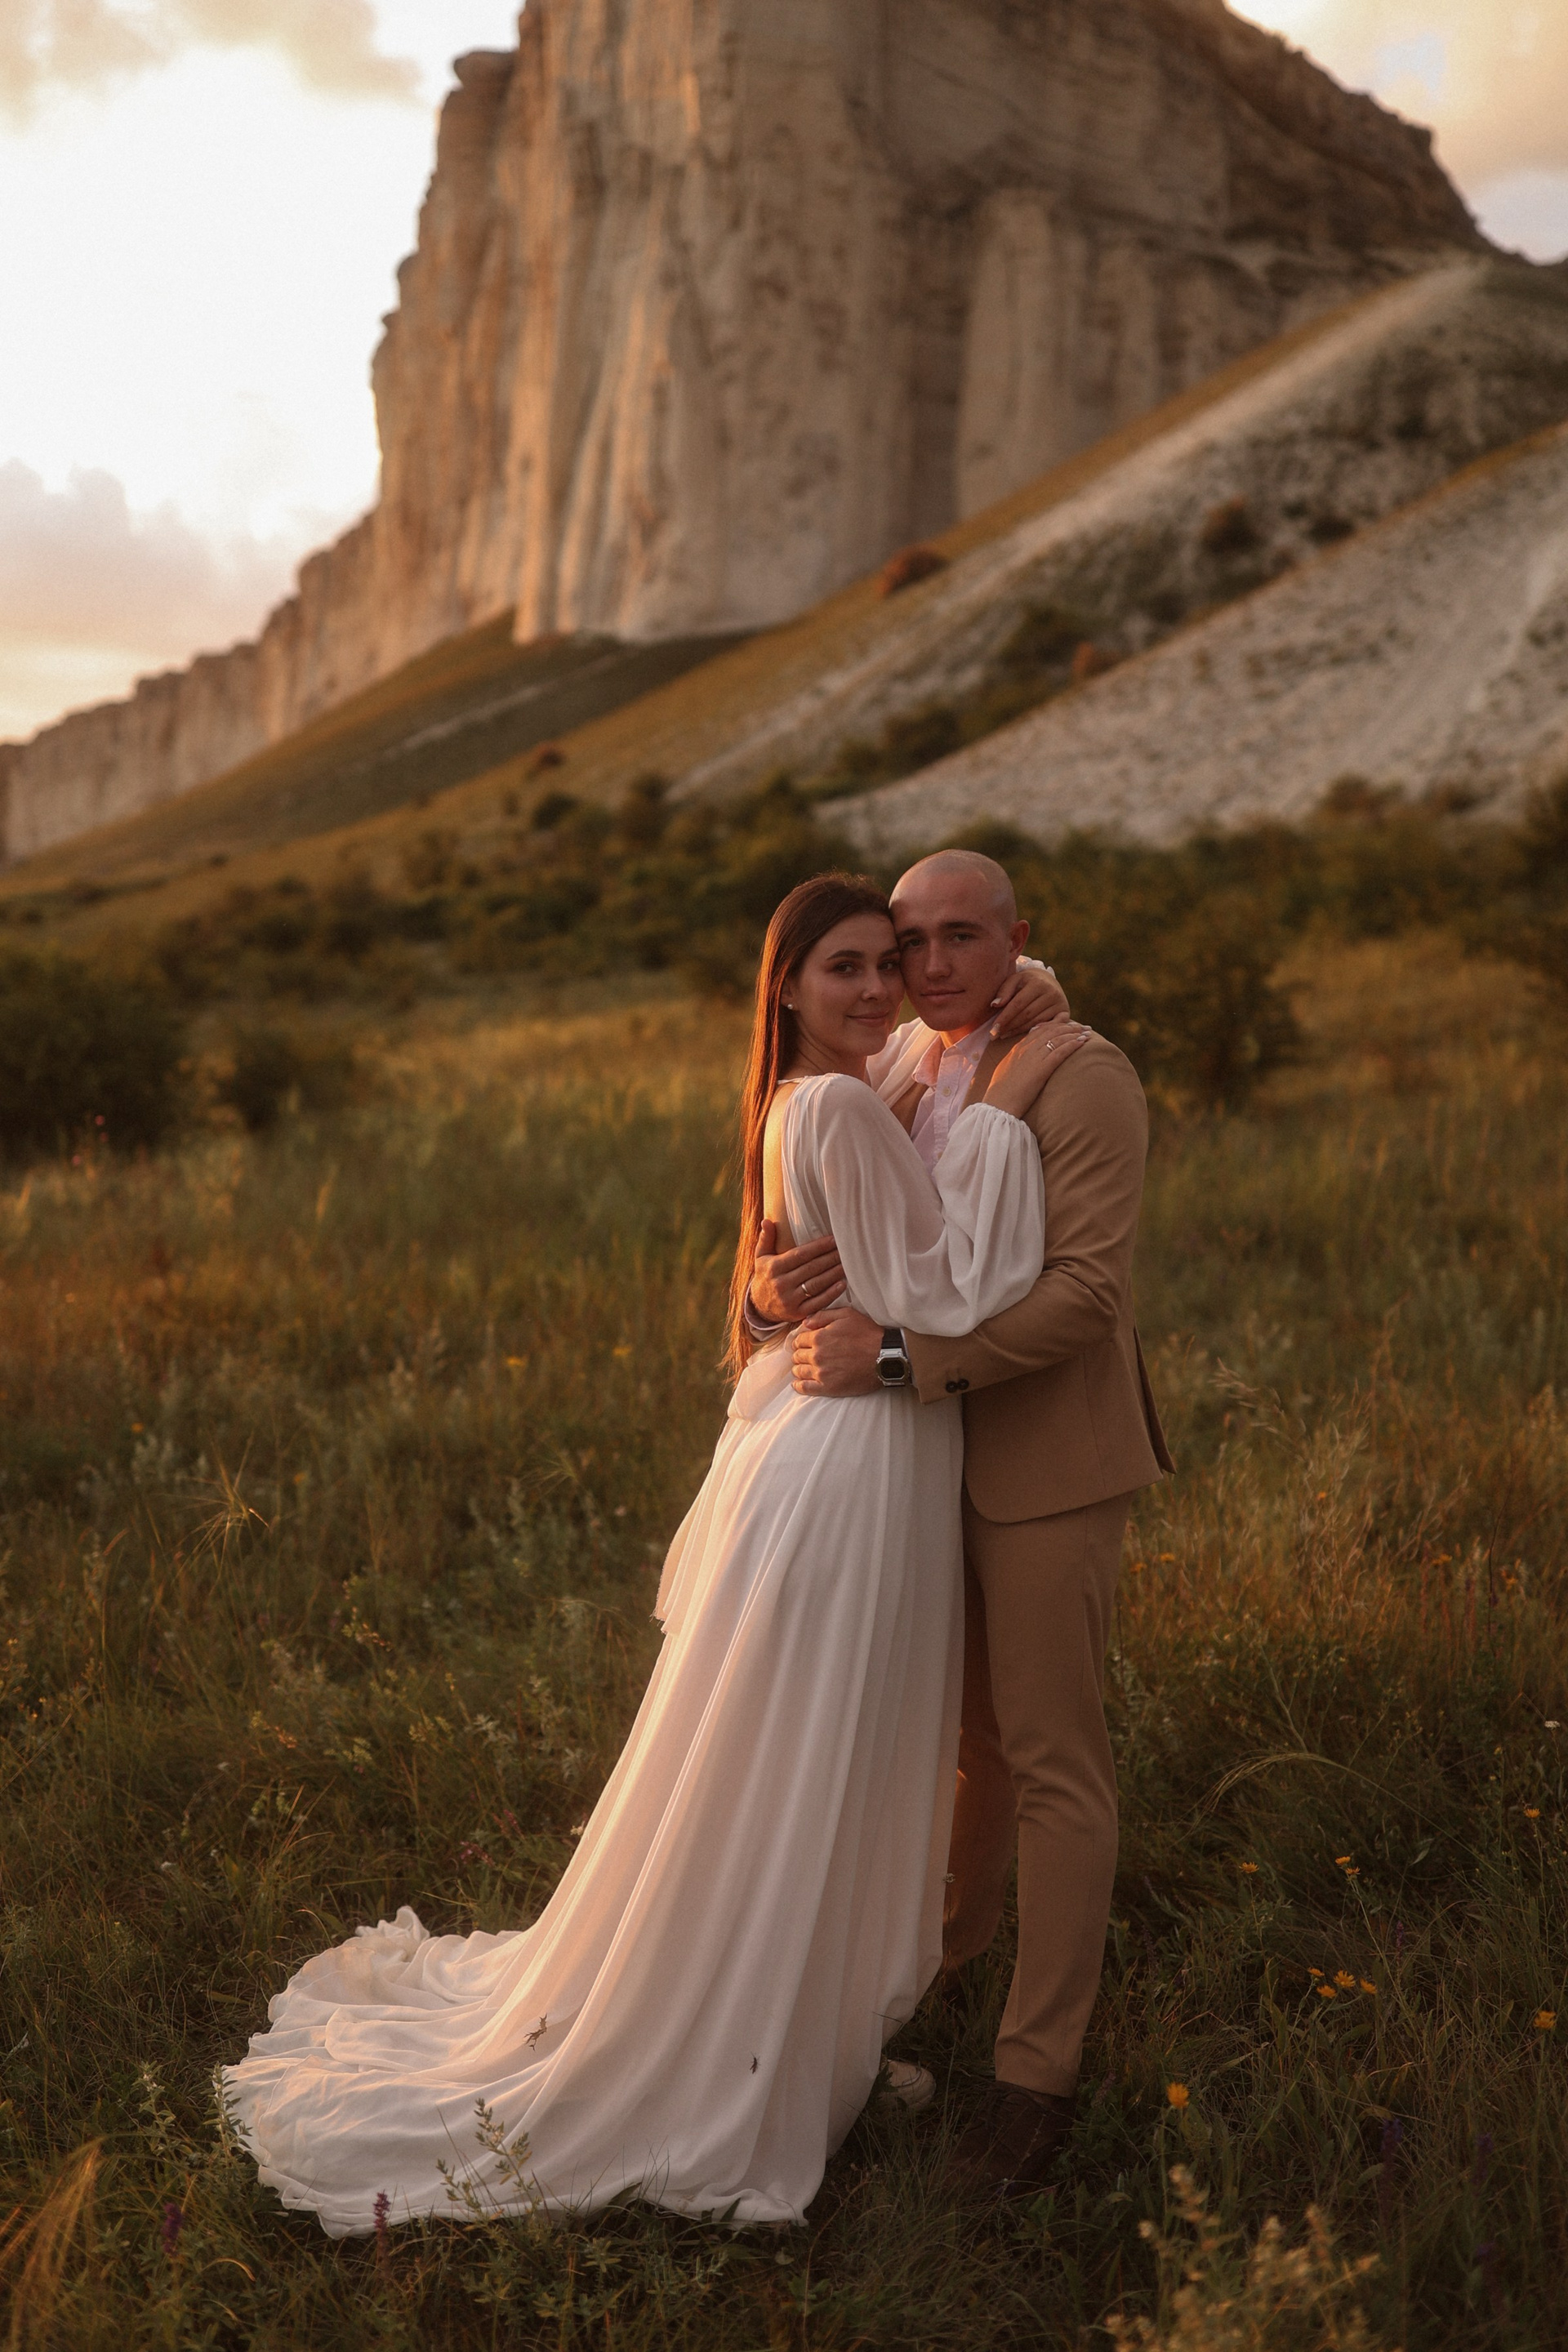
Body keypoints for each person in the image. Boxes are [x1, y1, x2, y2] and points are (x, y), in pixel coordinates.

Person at [221, 872, 1087, 2237]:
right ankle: (730, 2052)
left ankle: (781, 2027)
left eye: (896, 959)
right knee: (806, 1756)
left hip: (849, 1442)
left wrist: (779, 1275)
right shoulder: (844, 1104)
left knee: (797, 1754)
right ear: (788, 986)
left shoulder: (837, 1089)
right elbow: (956, 1285)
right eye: (850, 966)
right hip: (855, 1459)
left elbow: (874, 1203)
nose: (883, 986)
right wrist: (996, 1117)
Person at [752, 849, 1172, 2198]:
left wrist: (895, 1361)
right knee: (962, 1749)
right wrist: (768, 1295)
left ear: (1015, 937)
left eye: (960, 939)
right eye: (907, 941)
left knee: (1052, 1763)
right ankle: (927, 1988)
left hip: (1042, 1462)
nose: (928, 967)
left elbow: (1085, 1298)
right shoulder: (895, 1062)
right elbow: (824, 1237)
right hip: (914, 1467)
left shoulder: (1082, 1075)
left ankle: (1035, 2080)